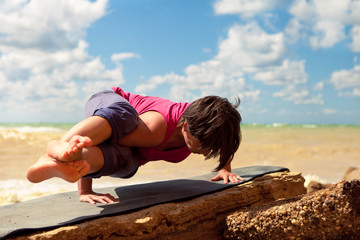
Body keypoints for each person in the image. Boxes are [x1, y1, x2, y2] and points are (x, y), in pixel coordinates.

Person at [26, 87, 243, 204]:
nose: (206, 151)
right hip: (108, 104)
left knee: (128, 162)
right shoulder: (154, 127)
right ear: (185, 127)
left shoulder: (210, 127)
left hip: (126, 142)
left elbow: (225, 137)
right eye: (204, 144)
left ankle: (65, 165)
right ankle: (56, 150)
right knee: (125, 116)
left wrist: (225, 167)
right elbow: (102, 138)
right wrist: (85, 190)